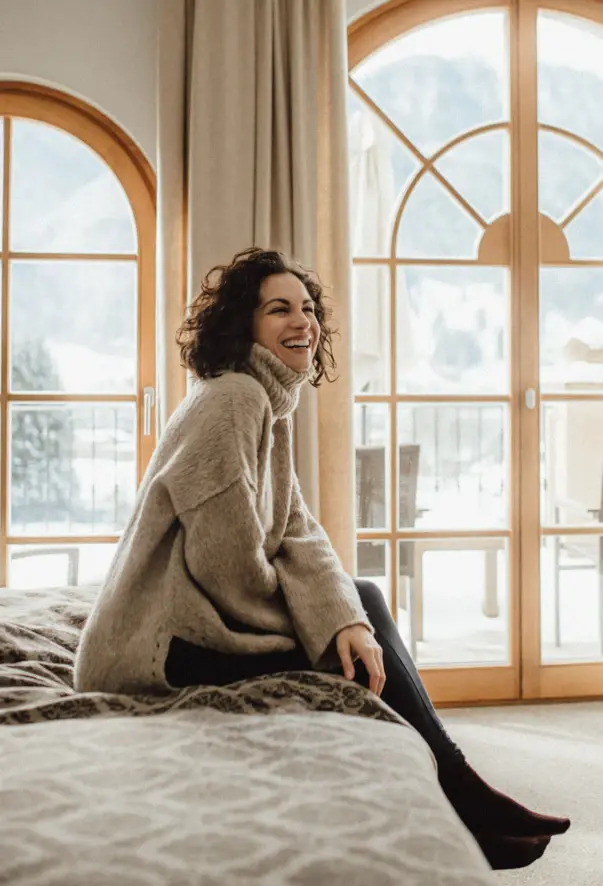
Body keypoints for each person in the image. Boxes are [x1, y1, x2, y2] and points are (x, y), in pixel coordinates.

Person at [74, 247, 570, 871]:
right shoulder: (235, 401)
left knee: (362, 605)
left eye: (307, 308)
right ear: (243, 324)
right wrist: (314, 625)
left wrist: (341, 619)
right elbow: (226, 567)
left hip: (189, 618)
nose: (302, 322)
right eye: (278, 308)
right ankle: (468, 801)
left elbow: (298, 531)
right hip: (158, 642)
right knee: (351, 654)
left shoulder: (264, 400)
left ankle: (467, 799)